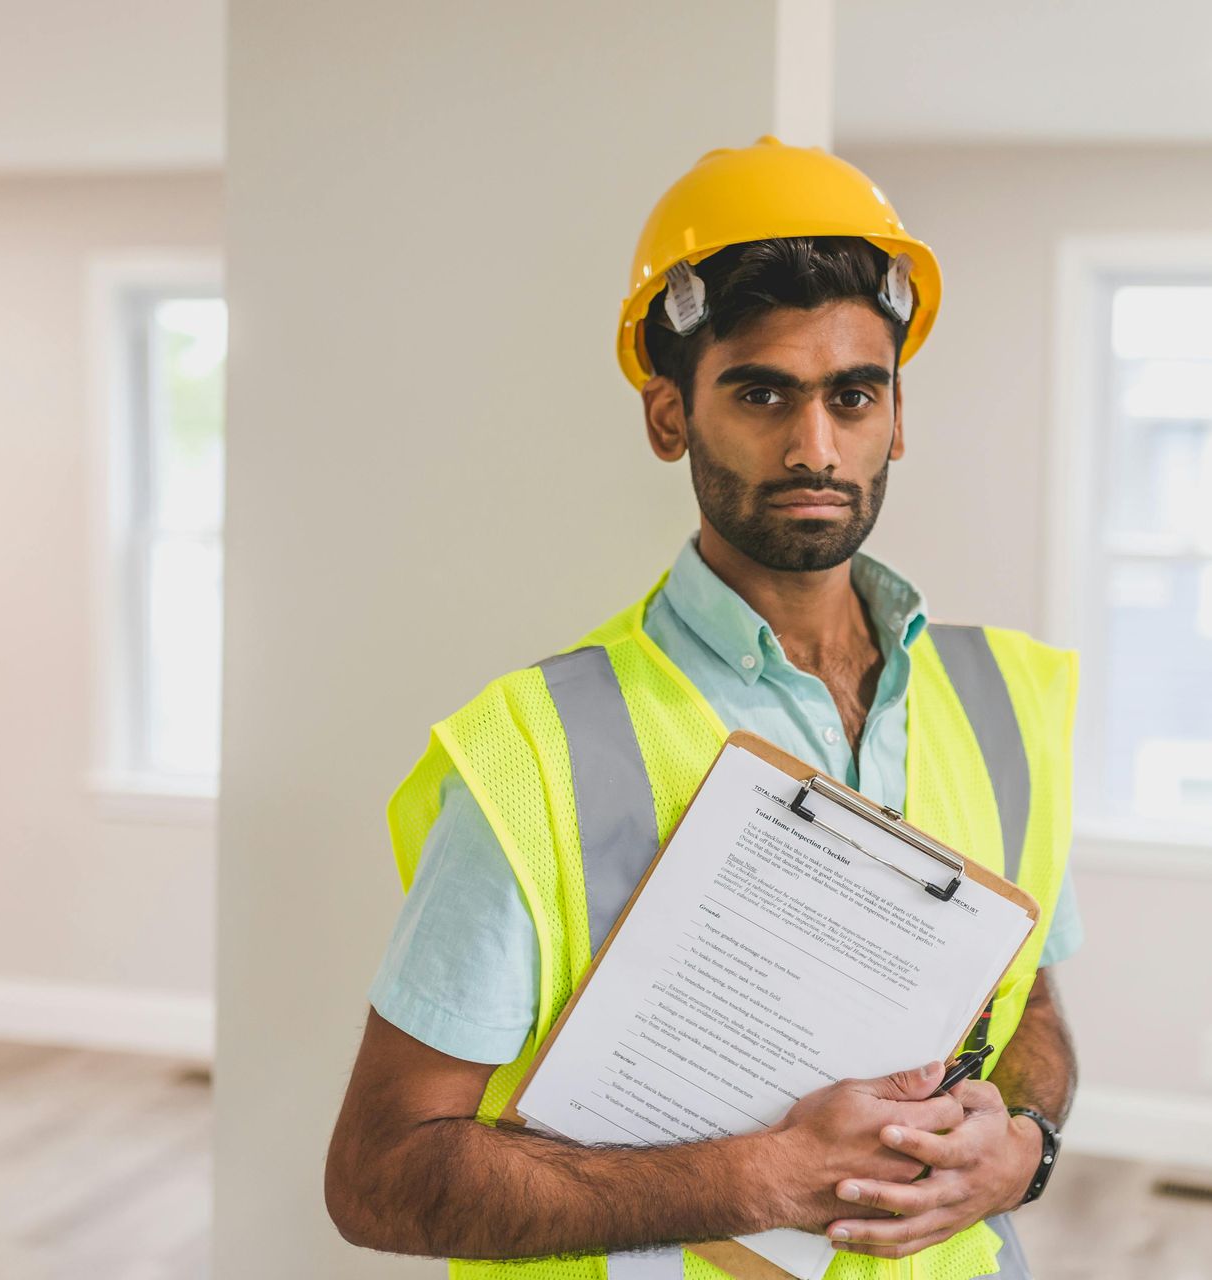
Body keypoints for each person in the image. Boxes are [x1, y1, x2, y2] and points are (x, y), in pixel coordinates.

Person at [324, 136, 1082, 1280]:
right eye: (762, 392)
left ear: (898, 416)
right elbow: (381, 1172)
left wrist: (1023, 1146)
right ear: (670, 415)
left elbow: (1025, 1002)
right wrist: (766, 1176)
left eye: (853, 395)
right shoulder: (537, 746)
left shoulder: (1006, 698)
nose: (815, 445)